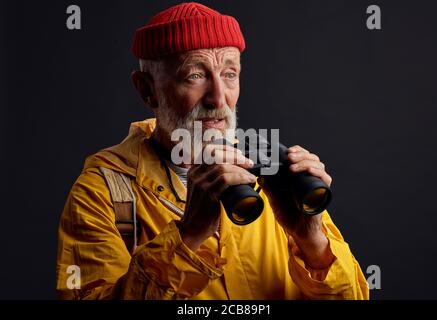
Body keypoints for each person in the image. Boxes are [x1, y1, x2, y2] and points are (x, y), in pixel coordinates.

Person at [56, 2, 369, 300]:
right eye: (195, 75)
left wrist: (313, 242)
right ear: (147, 90)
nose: (219, 98)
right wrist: (188, 235)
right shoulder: (103, 192)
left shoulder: (272, 172)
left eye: (229, 74)